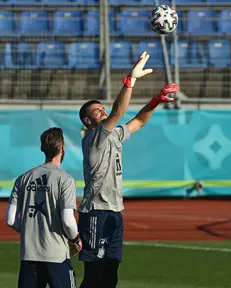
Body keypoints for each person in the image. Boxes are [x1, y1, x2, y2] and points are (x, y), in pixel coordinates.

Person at [77, 51, 178, 288]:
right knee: (94, 274)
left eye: (102, 107)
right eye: (96, 111)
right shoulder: (93, 138)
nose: (101, 111)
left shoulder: (114, 135)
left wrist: (154, 101)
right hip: (96, 212)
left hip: (114, 211)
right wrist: (129, 81)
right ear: (87, 121)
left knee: (111, 275)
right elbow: (118, 113)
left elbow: (139, 121)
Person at [5, 127, 82, 288]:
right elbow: (68, 221)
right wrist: (75, 239)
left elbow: (10, 219)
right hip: (57, 257)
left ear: (43, 149)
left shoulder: (23, 178)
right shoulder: (65, 179)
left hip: (29, 257)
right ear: (62, 149)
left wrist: (30, 229)